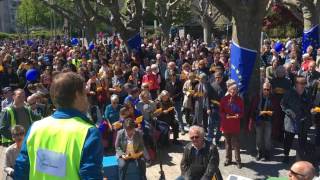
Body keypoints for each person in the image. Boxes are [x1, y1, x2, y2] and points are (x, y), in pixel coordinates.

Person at [14, 72, 103, 179]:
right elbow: (90, 175)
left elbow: (21, 169)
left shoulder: (35, 128)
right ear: (77, 95)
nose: (87, 98)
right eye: (85, 93)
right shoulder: (88, 132)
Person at [281, 76, 312, 163]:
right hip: (291, 121)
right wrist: (290, 112)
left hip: (303, 121)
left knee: (302, 140)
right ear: (296, 84)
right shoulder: (289, 93)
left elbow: (311, 104)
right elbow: (283, 104)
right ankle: (286, 155)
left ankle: (301, 157)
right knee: (288, 139)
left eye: (304, 83)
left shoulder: (307, 93)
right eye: (301, 83)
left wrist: (312, 110)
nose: (303, 85)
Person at [248, 82, 276, 161]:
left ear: (270, 89)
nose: (266, 91)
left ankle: (267, 152)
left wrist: (272, 112)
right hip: (259, 120)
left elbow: (276, 109)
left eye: (268, 89)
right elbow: (252, 109)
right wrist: (258, 112)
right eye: (264, 89)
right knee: (259, 138)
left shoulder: (272, 98)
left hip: (268, 120)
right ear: (262, 89)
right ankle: (259, 152)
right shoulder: (257, 97)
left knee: (267, 138)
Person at [219, 80, 244, 168]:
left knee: (236, 144)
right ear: (228, 90)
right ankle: (228, 159)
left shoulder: (240, 100)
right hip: (226, 124)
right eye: (231, 90)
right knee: (227, 143)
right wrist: (225, 115)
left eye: (235, 90)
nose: (233, 91)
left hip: (235, 125)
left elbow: (242, 112)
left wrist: (238, 115)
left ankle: (238, 161)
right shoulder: (224, 99)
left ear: (237, 90)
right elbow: (221, 111)